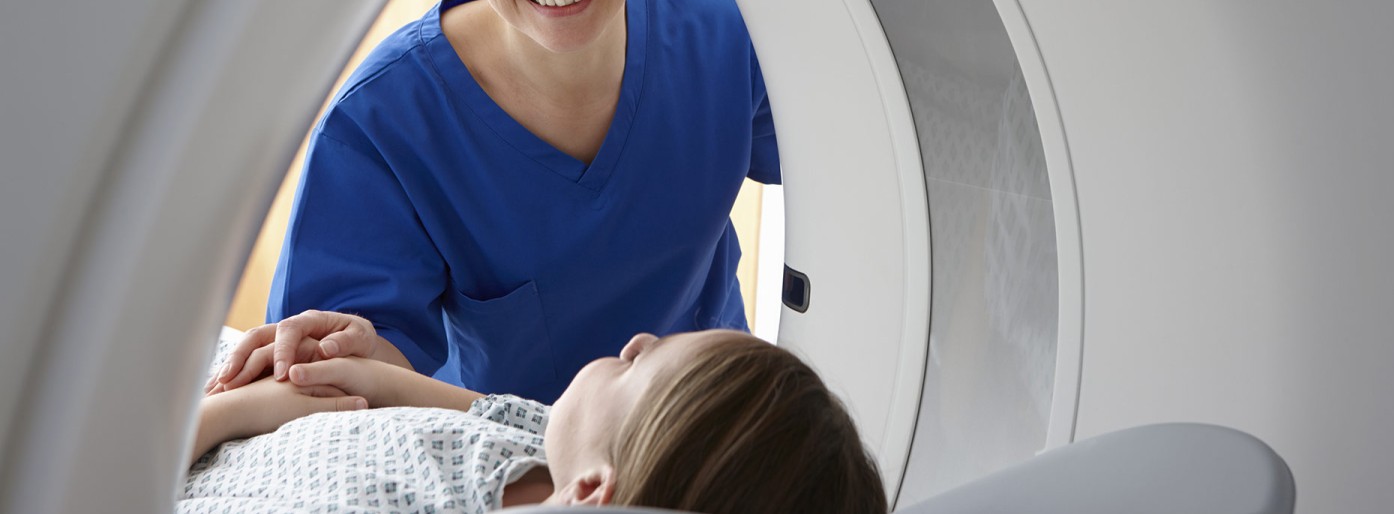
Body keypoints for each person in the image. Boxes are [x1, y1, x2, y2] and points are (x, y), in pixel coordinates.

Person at [211, 0, 779, 404]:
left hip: (711, 418)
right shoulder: (385, 121)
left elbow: (855, 163)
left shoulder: (735, 31)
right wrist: (353, 348)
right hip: (519, 458)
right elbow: (352, 364)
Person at [184, 326, 887, 513]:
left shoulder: (387, 499)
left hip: (181, 434)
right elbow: (477, 410)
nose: (638, 341)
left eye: (643, 366)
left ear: (592, 495)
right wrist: (371, 375)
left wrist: (229, 413)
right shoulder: (556, 450)